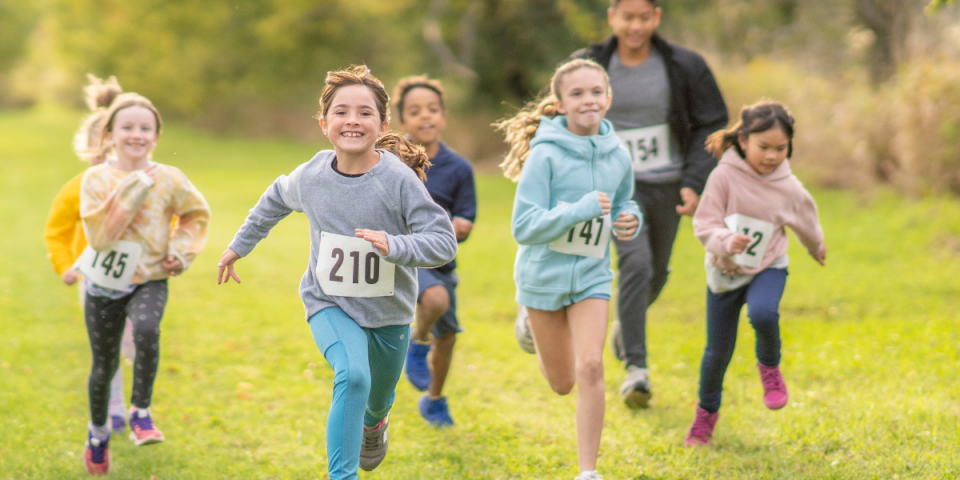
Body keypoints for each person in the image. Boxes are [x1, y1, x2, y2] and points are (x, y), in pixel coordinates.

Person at [217, 66, 457, 480]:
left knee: (377, 400)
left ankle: (374, 425)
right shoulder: (312, 176)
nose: (352, 120)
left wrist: (395, 245)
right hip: (329, 302)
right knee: (354, 375)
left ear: (383, 125)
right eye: (341, 112)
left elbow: (443, 242)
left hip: (389, 314)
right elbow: (275, 199)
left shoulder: (398, 181)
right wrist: (240, 245)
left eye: (365, 113)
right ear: (324, 124)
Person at [570, 0, 729, 408]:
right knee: (636, 263)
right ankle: (636, 369)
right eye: (628, 17)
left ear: (656, 18)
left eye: (644, 18)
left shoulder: (685, 65)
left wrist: (694, 182)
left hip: (668, 183)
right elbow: (560, 115)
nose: (635, 26)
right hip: (616, 187)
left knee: (655, 272)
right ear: (612, 17)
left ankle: (627, 326)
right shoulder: (589, 64)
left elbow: (712, 123)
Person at [498, 58, 642, 480]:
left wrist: (630, 218)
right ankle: (528, 322)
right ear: (560, 104)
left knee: (591, 366)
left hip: (592, 275)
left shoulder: (619, 155)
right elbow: (523, 226)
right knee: (562, 384)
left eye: (596, 92)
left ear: (608, 98)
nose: (588, 100)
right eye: (577, 94)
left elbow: (625, 201)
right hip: (542, 278)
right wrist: (578, 210)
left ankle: (587, 472)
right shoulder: (545, 156)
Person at [79, 92, 210, 475]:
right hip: (103, 284)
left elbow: (196, 214)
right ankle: (98, 433)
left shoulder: (170, 178)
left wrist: (181, 252)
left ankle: (140, 411)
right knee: (104, 365)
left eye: (145, 128)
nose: (136, 134)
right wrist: (135, 185)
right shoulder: (96, 179)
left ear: (155, 136)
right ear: (110, 135)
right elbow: (100, 237)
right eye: (127, 127)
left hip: (150, 277)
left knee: (148, 330)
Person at [685, 101, 826, 446]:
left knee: (763, 313)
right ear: (744, 140)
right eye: (764, 147)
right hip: (725, 271)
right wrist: (726, 241)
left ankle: (770, 369)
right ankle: (706, 415)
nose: (772, 156)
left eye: (781, 148)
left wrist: (816, 246)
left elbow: (805, 218)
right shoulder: (723, 177)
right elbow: (704, 223)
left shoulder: (788, 186)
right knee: (717, 353)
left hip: (768, 265)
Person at [44, 74, 137, 435]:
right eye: (101, 154)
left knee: (135, 343)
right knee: (106, 348)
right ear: (91, 152)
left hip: (139, 278)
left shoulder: (144, 185)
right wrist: (65, 266)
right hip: (94, 279)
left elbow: (171, 219)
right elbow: (56, 232)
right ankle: (114, 410)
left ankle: (139, 407)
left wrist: (171, 252)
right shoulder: (78, 188)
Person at [392, 75, 477, 427]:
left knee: (448, 336)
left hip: (439, 259)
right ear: (402, 120)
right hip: (399, 257)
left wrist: (459, 227)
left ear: (443, 116)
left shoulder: (459, 168)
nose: (424, 116)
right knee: (436, 300)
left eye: (432, 109)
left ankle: (435, 399)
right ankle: (418, 339)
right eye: (415, 111)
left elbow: (466, 219)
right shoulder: (390, 160)